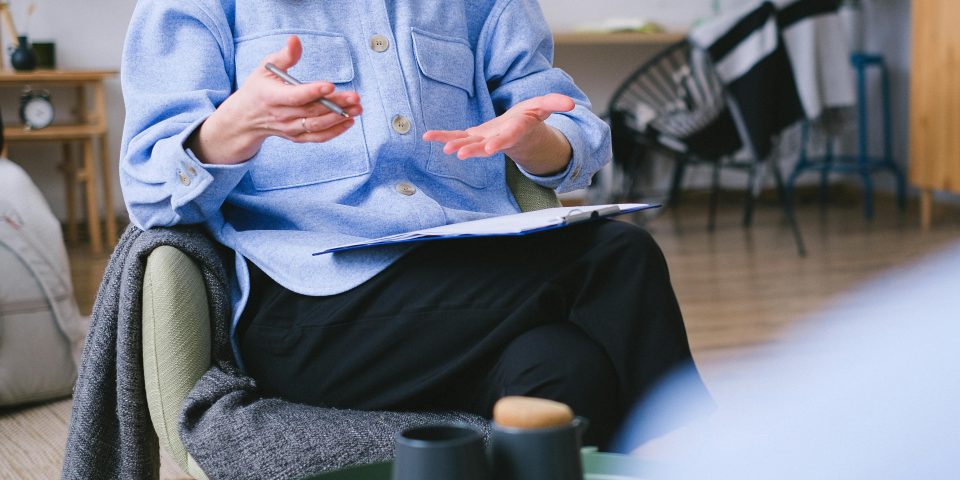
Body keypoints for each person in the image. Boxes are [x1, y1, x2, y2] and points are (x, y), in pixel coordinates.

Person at [119, 0, 710, 449]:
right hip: (312, 312)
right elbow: (148, 191)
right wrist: (235, 127)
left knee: (564, 370)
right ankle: (714, 457)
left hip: (475, 293)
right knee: (618, 257)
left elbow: (575, 133)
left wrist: (536, 141)